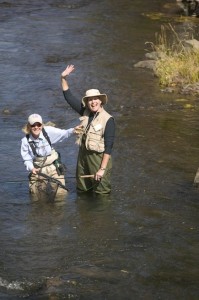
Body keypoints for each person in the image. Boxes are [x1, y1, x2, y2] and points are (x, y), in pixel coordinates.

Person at [60, 65, 115, 194]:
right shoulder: (85, 112)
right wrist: (63, 77)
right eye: (90, 100)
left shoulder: (108, 120)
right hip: (83, 157)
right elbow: (68, 96)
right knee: (82, 190)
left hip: (99, 159)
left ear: (101, 101)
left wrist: (102, 169)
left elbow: (109, 147)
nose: (93, 102)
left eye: (95, 99)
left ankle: (101, 214)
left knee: (102, 193)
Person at [21, 113, 74, 197]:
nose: (36, 127)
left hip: (54, 166)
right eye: (33, 125)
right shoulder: (25, 141)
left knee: (61, 194)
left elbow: (63, 133)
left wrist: (73, 130)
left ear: (42, 125)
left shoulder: (48, 131)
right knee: (37, 196)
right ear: (29, 126)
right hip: (38, 169)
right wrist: (31, 168)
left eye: (38, 124)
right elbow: (26, 159)